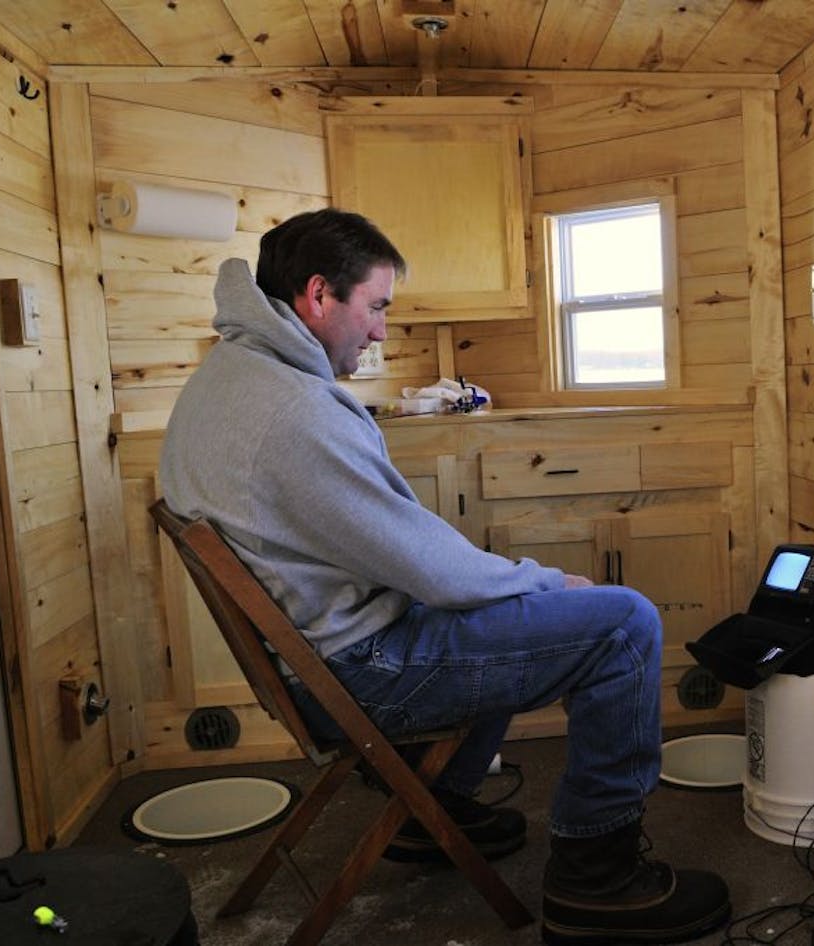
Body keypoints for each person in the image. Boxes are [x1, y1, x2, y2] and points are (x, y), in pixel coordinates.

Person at [159, 208, 730, 944]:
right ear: (318, 296)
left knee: (498, 604)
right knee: (623, 625)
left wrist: (515, 582)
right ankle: (599, 878)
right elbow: (441, 576)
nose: (379, 331)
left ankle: (432, 811)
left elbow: (430, 568)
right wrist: (552, 582)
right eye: (375, 308)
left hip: (315, 662)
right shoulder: (295, 412)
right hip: (359, 672)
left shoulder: (230, 375)